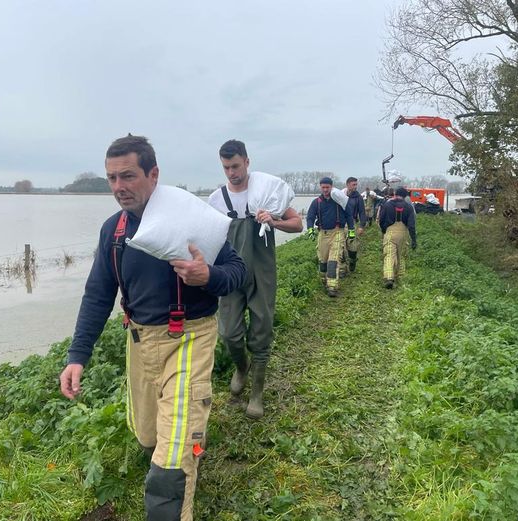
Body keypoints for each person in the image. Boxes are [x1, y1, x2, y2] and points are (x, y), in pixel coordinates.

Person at [59, 135, 247, 521]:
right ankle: (191, 440)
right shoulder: (113, 231)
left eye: (127, 176)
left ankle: (177, 476)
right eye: (111, 178)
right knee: (149, 437)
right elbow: (97, 295)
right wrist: (77, 356)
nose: (118, 188)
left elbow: (237, 273)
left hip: (190, 337)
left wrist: (207, 275)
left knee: (171, 456)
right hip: (139, 342)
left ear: (153, 174)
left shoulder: (188, 218)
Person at [208, 139, 302, 419]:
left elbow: (298, 224)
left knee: (261, 331)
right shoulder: (216, 200)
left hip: (262, 272)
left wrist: (273, 221)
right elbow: (208, 237)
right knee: (228, 332)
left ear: (247, 162)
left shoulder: (267, 194)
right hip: (230, 274)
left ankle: (257, 392)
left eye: (236, 166)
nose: (232, 173)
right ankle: (241, 366)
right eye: (226, 168)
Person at [306, 177, 354, 297]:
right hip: (323, 234)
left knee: (333, 260)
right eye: (323, 187)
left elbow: (349, 214)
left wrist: (352, 230)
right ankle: (324, 281)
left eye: (328, 187)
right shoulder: (316, 202)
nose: (326, 190)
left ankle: (332, 287)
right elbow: (310, 216)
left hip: (338, 232)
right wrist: (310, 228)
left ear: (331, 187)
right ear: (320, 187)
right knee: (323, 260)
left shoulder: (338, 200)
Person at [379, 186, 417, 289]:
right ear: (405, 196)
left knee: (389, 254)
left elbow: (381, 220)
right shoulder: (409, 207)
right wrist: (414, 240)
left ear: (395, 194)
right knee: (401, 256)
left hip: (390, 233)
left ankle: (389, 277)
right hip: (403, 234)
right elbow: (412, 225)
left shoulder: (387, 205)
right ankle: (401, 276)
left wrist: (383, 230)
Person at [341, 177, 367, 274]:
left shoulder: (358, 197)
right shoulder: (340, 195)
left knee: (352, 245)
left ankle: (352, 260)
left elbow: (362, 212)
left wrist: (361, 226)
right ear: (347, 185)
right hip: (341, 224)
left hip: (352, 223)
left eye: (356, 184)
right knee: (341, 245)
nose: (355, 186)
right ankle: (342, 269)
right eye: (353, 184)